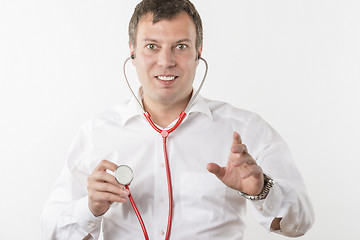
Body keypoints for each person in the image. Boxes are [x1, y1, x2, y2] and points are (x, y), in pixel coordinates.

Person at [41, 0, 314, 239]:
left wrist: (262, 190)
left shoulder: (245, 130)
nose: (166, 61)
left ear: (198, 52)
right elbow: (50, 232)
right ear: (132, 53)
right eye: (151, 46)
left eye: (180, 46)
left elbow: (301, 223)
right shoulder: (96, 133)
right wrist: (90, 208)